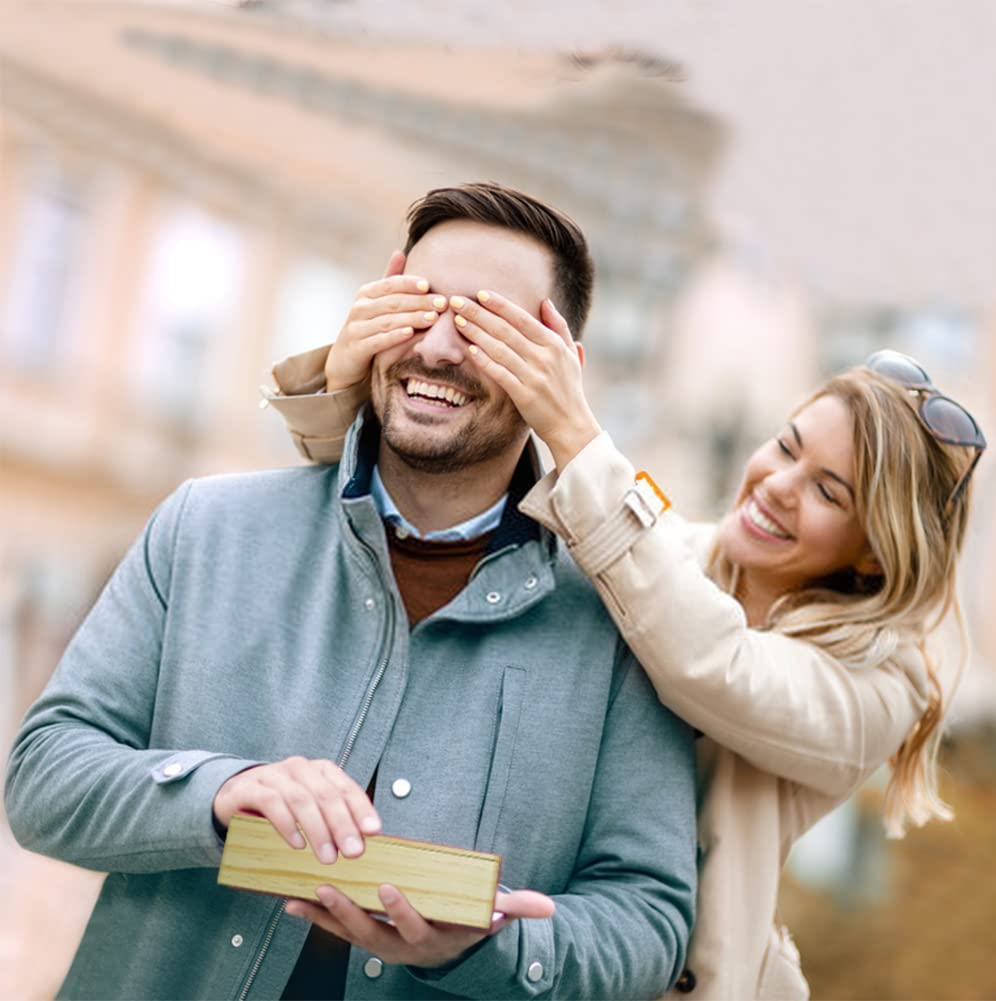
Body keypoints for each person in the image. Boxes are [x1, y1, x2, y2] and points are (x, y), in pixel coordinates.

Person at [4, 183, 699, 1001]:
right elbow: (41, 779)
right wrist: (219, 792)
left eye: (486, 324)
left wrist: (490, 947)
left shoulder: (622, 622)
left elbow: (649, 921)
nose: (438, 346)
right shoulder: (205, 528)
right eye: (419, 305)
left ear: (561, 371)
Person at [266, 268, 986, 999]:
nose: (776, 482)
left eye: (828, 490)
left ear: (875, 548)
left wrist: (574, 430)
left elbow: (711, 662)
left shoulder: (880, 682)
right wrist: (349, 384)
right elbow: (442, 511)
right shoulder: (663, 559)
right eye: (786, 445)